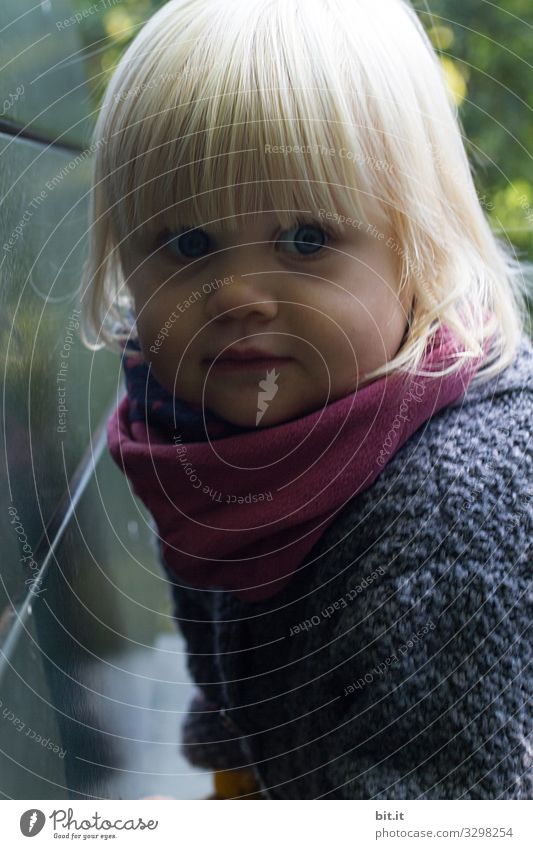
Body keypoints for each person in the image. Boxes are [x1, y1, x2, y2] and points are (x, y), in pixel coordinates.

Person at [80, 0, 533, 799]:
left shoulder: (447, 514)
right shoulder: (190, 435)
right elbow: (226, 656)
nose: (239, 295)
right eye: (189, 244)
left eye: (307, 239)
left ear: (418, 247)